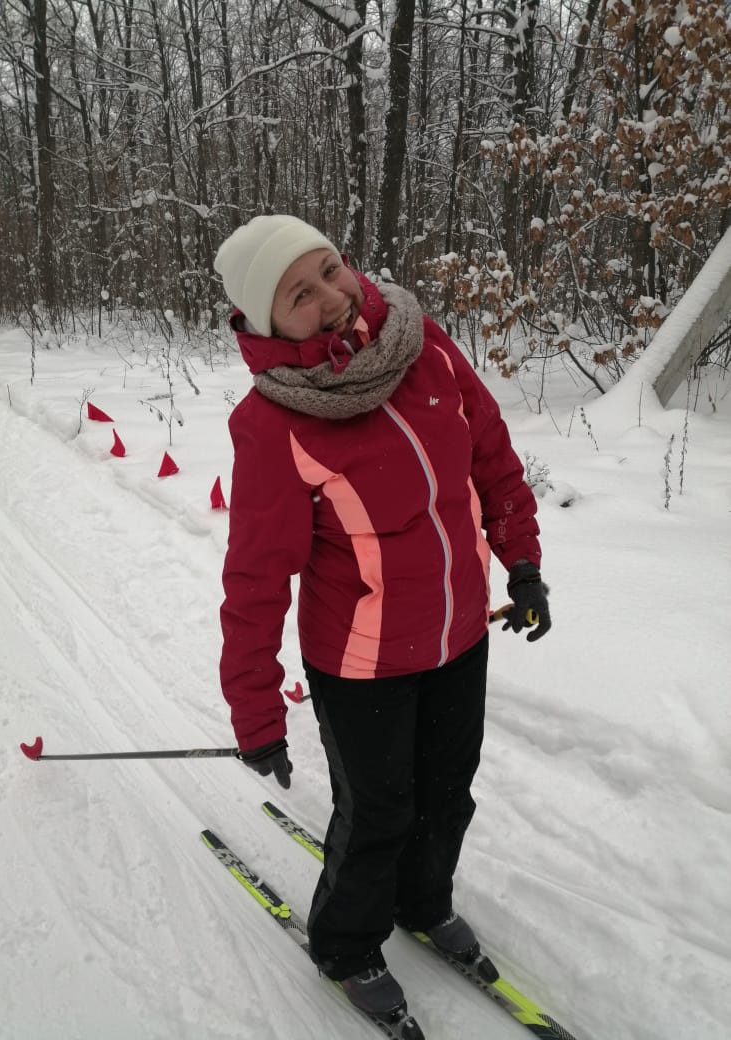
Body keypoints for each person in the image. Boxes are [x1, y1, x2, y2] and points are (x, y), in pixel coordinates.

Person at [213, 215, 550, 1021]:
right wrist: (256, 713)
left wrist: (523, 563)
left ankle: (422, 901)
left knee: (447, 794)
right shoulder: (273, 423)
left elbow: (491, 457)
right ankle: (347, 943)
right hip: (361, 663)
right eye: (299, 294)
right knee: (378, 814)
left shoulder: (420, 342)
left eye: (329, 269)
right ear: (267, 321)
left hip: (459, 636)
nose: (331, 297)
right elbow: (256, 579)